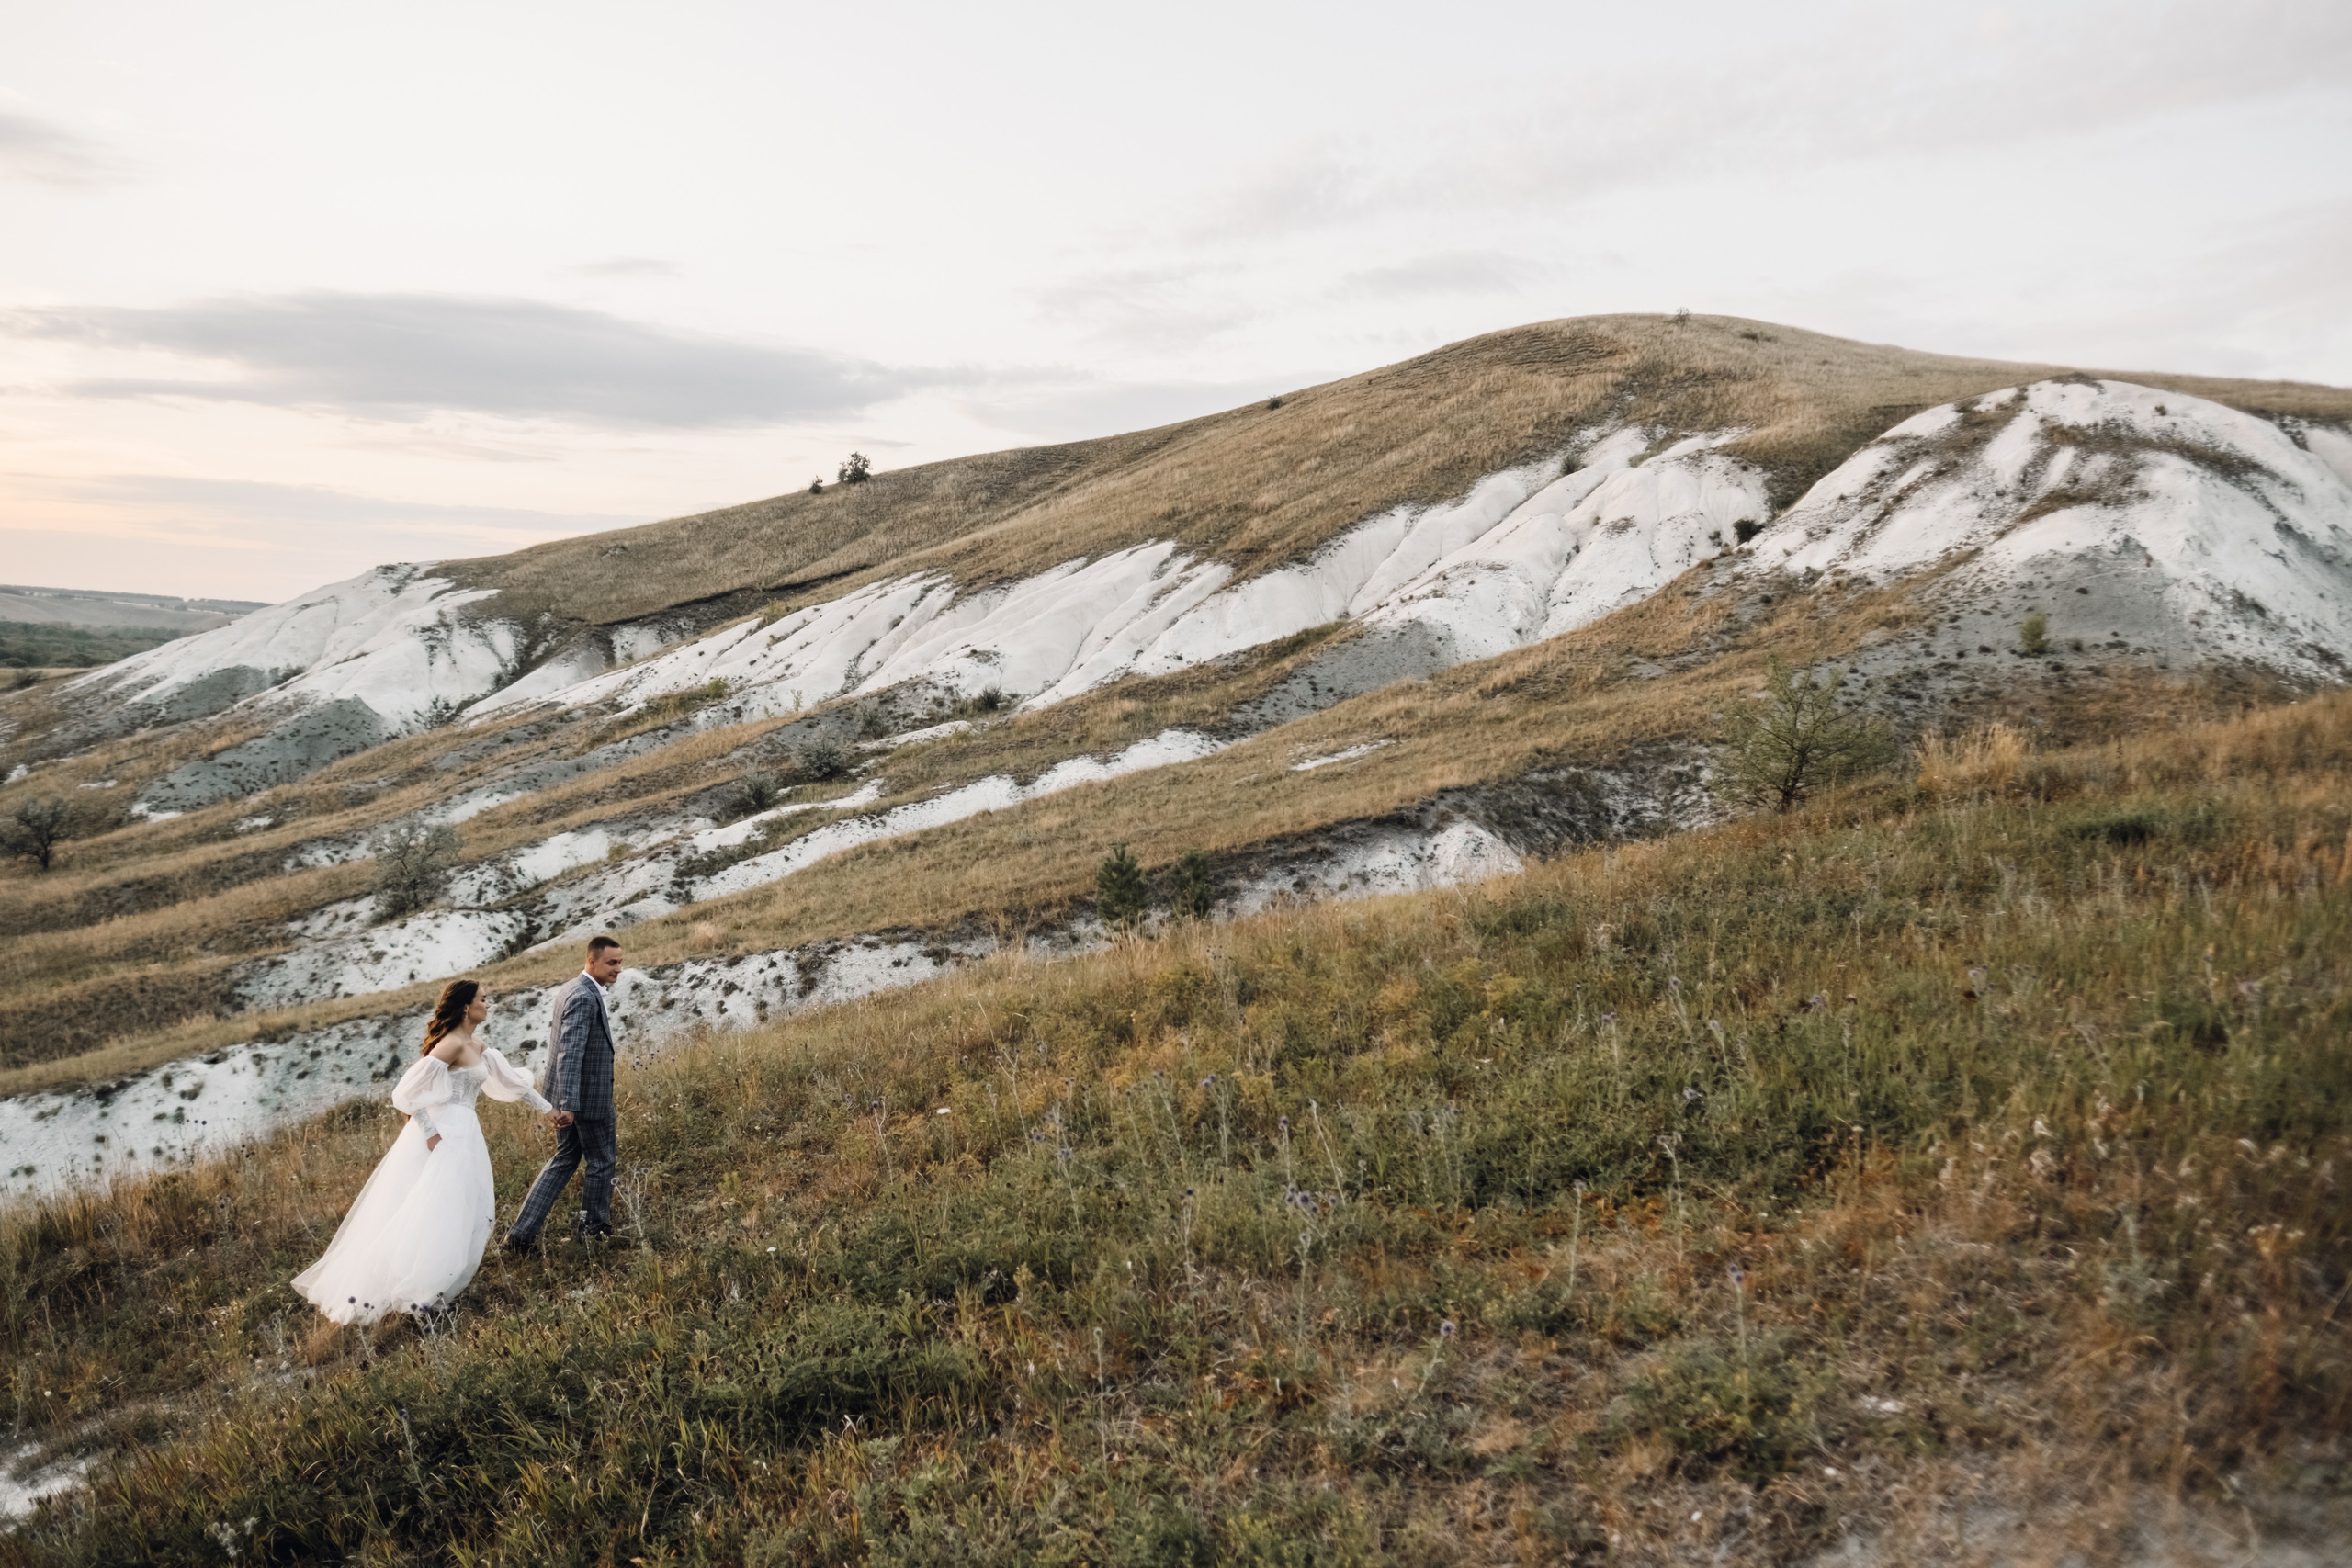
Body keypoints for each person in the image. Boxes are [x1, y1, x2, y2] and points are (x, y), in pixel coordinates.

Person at [292, 979, 559, 1325]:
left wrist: (549, 1110)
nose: (487, 1004)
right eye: (482, 999)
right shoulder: (449, 1045)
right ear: (466, 1006)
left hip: (466, 1133)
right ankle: (422, 1296)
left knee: (462, 1207)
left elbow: (511, 1084)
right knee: (437, 1210)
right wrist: (432, 1135)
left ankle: (434, 1287)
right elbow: (407, 1093)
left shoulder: (477, 1045)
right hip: (444, 1132)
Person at [505, 935, 625, 1248]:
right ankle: (593, 1230)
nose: (618, 969)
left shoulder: (573, 988)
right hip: (585, 1099)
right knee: (601, 1162)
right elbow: (569, 1053)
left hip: (569, 1094)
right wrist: (570, 1104)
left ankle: (520, 1236)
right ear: (592, 961)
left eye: (620, 962)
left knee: (566, 1158)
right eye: (612, 963)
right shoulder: (584, 996)